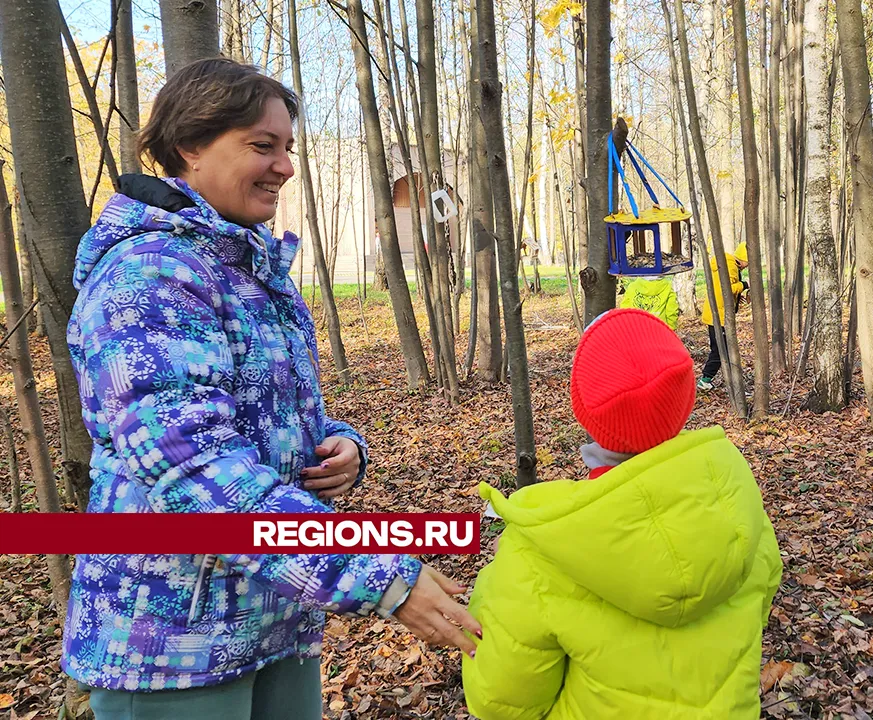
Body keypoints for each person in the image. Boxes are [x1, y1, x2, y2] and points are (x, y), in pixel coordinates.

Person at [62, 58, 479, 719]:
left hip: (275, 619)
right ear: (189, 145)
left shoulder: (254, 268)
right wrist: (376, 572)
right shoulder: (147, 278)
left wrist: (339, 447)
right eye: (262, 145)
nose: (284, 165)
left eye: (288, 147)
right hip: (173, 644)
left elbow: (272, 416)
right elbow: (197, 474)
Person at [462, 308, 782, 719]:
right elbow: (762, 593)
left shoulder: (541, 547)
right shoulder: (736, 500)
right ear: (685, 396)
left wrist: (491, 588)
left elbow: (499, 701)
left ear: (586, 412)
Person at [698, 241, 749, 391]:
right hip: (719, 316)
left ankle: (710, 380)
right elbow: (725, 289)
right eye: (749, 262)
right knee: (721, 349)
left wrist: (737, 296)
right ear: (744, 258)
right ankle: (705, 379)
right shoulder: (730, 266)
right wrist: (744, 285)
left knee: (722, 348)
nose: (748, 266)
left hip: (717, 314)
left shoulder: (728, 264)